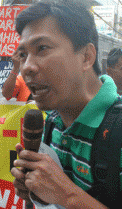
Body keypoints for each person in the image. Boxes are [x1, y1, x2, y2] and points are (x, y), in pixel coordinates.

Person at [10, 1, 121, 208]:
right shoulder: (51, 121)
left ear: (86, 57)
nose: (26, 68)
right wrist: (37, 192)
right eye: (23, 55)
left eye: (42, 48)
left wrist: (68, 196)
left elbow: (64, 196)